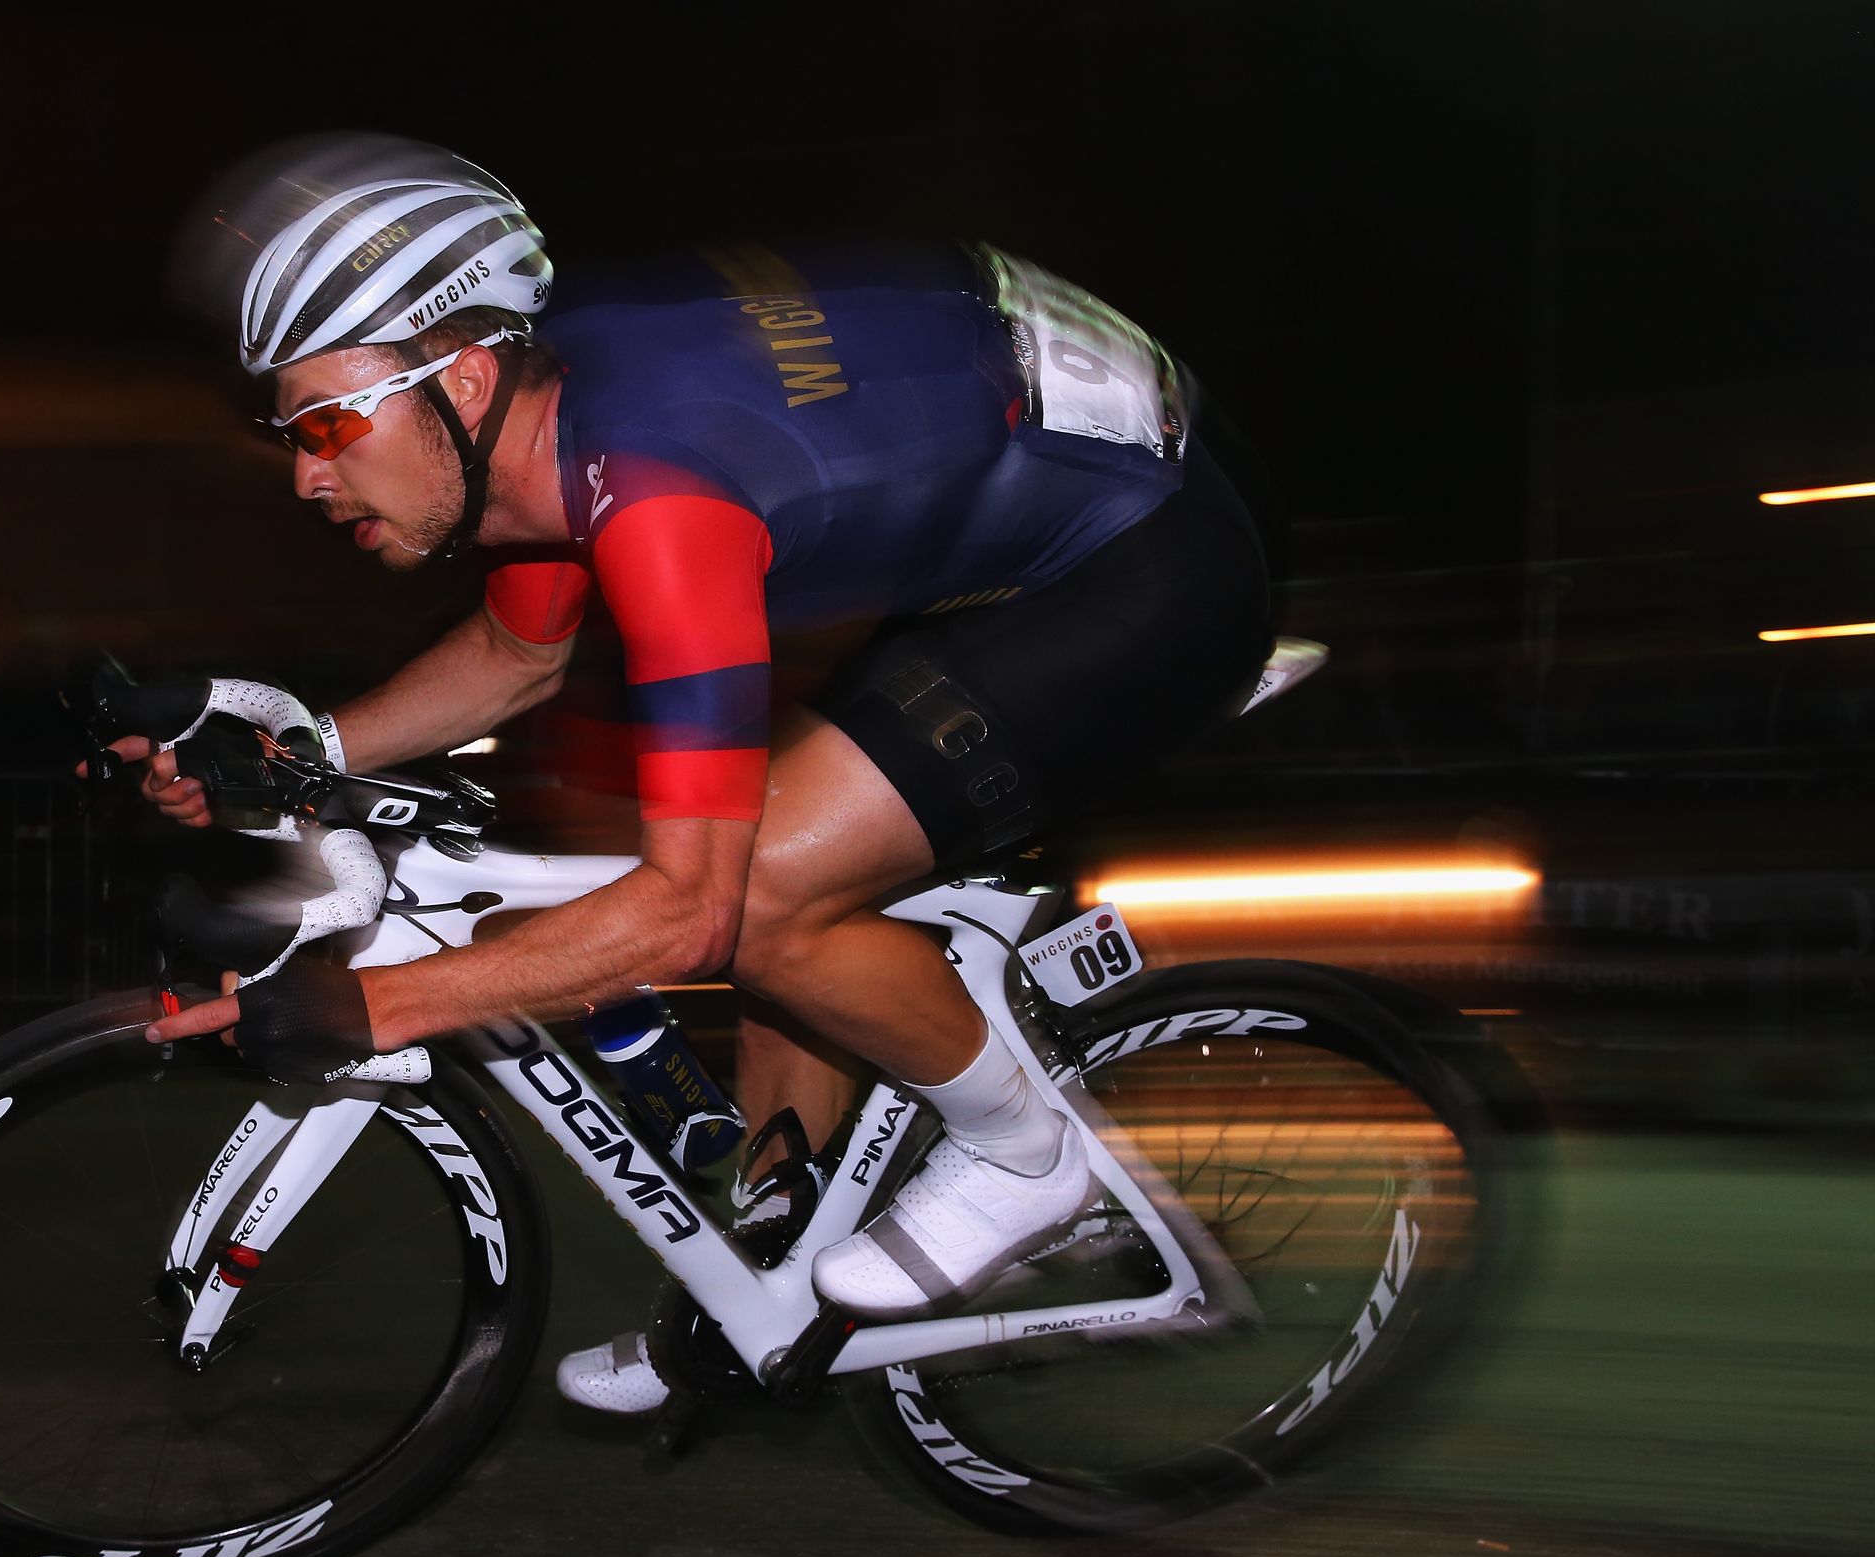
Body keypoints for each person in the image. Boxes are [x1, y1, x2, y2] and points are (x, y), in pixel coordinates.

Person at [135, 133, 1273, 1413]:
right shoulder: (546, 413)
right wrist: (299, 756)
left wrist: (377, 1008)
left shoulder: (660, 495)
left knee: (762, 891)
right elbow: (516, 657)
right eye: (287, 430)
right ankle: (773, 1285)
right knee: (780, 861)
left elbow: (689, 912)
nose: (305, 473)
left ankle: (1024, 1156)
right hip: (1017, 524)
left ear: (462, 378)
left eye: (326, 422)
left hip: (1149, 568)